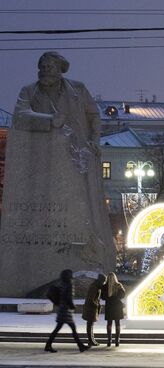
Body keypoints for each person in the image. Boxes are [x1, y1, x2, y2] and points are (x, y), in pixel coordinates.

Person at [0, 52, 115, 297]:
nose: (44, 71)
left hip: (78, 160)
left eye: (49, 67)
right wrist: (51, 120)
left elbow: (94, 117)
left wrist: (95, 141)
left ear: (60, 70)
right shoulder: (29, 91)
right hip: (41, 160)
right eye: (41, 67)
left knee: (85, 207)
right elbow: (20, 116)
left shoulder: (78, 89)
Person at [45, 269, 89, 353]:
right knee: (71, 328)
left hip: (62, 308)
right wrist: (72, 305)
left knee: (60, 328)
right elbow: (68, 296)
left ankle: (80, 346)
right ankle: (80, 346)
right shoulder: (69, 284)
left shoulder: (61, 283)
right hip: (66, 310)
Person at [82, 273, 107, 346]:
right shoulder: (94, 287)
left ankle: (91, 340)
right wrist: (96, 305)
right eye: (103, 281)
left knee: (91, 324)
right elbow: (91, 298)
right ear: (101, 280)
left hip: (92, 308)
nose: (104, 283)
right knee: (90, 324)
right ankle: (91, 340)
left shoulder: (97, 286)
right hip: (91, 308)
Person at [101, 273, 125, 347]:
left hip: (109, 306)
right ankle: (117, 340)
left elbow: (102, 296)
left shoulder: (105, 286)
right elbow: (123, 295)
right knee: (117, 323)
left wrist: (109, 298)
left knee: (109, 323)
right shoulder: (118, 285)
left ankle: (109, 340)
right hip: (117, 306)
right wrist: (116, 298)